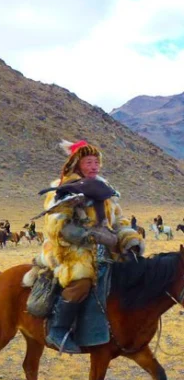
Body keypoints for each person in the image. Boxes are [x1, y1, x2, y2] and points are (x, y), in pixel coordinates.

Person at [40, 139, 144, 353]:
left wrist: (129, 240)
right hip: (70, 249)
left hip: (104, 250)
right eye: (88, 162)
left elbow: (119, 222)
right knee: (82, 279)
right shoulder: (64, 190)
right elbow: (57, 224)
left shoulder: (106, 191)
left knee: (132, 272)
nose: (94, 166)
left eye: (96, 162)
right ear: (78, 164)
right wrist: (88, 236)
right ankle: (58, 329)